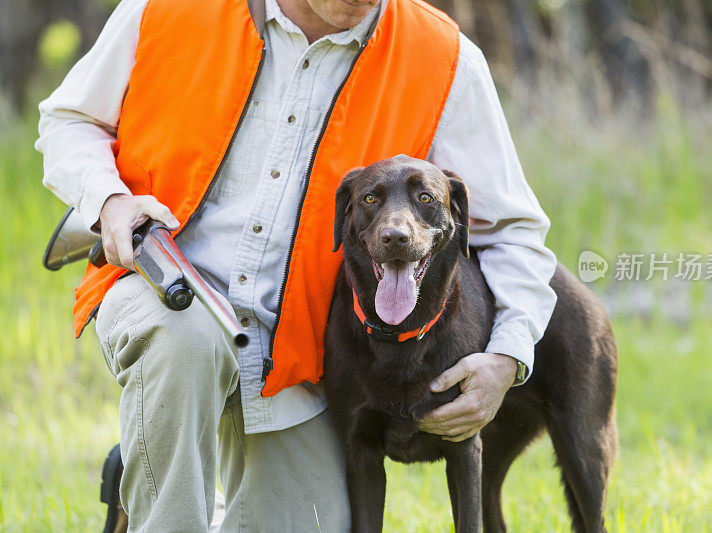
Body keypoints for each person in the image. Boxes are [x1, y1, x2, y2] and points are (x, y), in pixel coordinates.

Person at [35, 0, 558, 530]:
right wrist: (108, 201)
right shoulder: (167, 7)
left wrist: (506, 357)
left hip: (301, 357)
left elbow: (514, 233)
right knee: (186, 344)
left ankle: (144, 476)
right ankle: (163, 490)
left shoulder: (445, 59)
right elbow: (68, 120)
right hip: (169, 294)